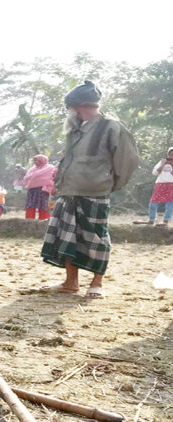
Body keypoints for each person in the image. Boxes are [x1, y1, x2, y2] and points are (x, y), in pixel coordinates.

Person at [40, 81, 138, 300]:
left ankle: (96, 283)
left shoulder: (112, 127)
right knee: (67, 236)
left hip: (96, 193)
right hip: (69, 191)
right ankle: (70, 282)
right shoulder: (74, 130)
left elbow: (127, 161)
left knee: (96, 238)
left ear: (80, 106)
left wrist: (109, 184)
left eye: (71, 108)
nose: (70, 112)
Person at [134, 148, 173, 227]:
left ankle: (165, 221)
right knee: (153, 202)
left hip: (171, 184)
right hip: (160, 184)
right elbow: (154, 173)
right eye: (170, 154)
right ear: (167, 154)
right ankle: (151, 220)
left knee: (169, 203)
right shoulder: (162, 162)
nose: (171, 156)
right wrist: (162, 164)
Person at [22, 155, 57, 220]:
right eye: (34, 160)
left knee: (43, 206)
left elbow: (53, 178)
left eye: (36, 160)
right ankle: (29, 220)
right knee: (30, 206)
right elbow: (27, 178)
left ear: (42, 161)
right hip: (32, 190)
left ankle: (44, 220)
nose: (35, 162)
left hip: (42, 190)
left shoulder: (50, 168)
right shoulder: (32, 169)